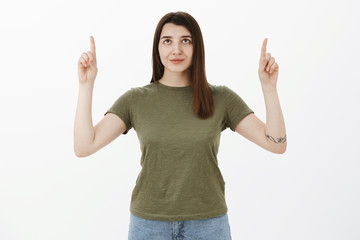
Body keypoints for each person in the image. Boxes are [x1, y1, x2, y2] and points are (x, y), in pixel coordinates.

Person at [74, 11, 286, 240]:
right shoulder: (136, 100)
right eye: (167, 41)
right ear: (158, 48)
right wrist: (86, 86)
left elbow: (275, 144)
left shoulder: (221, 98)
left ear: (197, 48)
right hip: (149, 224)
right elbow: (84, 146)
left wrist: (269, 89)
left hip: (208, 224)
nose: (176, 50)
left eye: (186, 40)